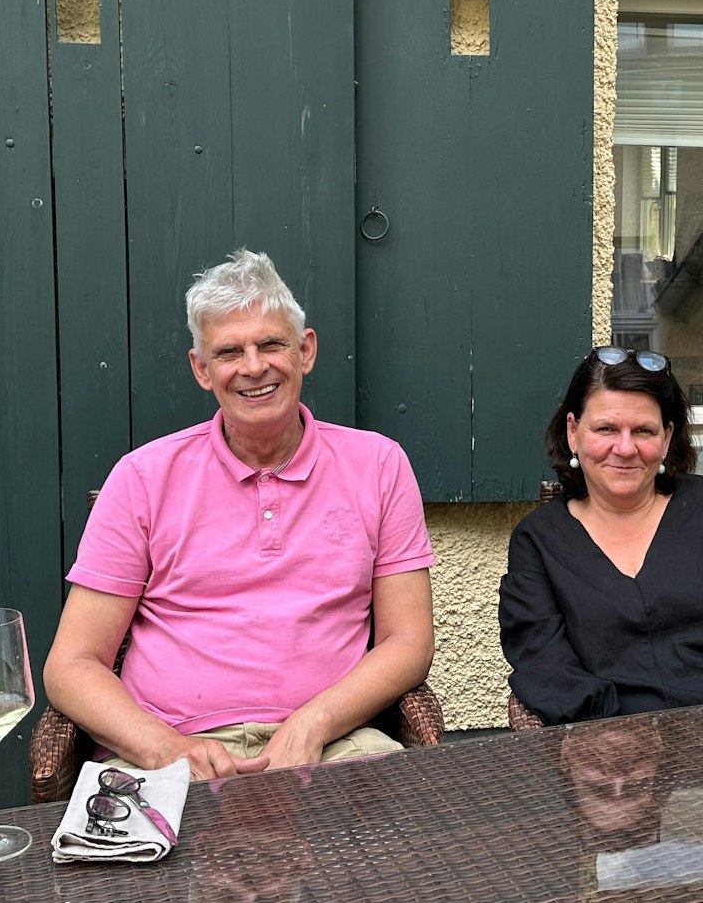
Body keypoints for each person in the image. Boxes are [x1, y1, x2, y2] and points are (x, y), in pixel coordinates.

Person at [45, 249, 435, 779]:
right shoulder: (142, 477)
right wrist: (166, 749)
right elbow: (71, 666)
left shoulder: (380, 466)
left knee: (399, 852)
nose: (254, 367)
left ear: (306, 350)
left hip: (333, 744)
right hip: (172, 751)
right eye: (229, 352)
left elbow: (408, 642)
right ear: (202, 369)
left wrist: (316, 721)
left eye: (271, 344)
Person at [498, 348, 703, 725]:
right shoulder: (539, 540)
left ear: (667, 437)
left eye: (643, 430)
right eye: (606, 428)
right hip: (612, 761)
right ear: (573, 432)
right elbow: (544, 665)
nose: (625, 449)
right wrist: (613, 739)